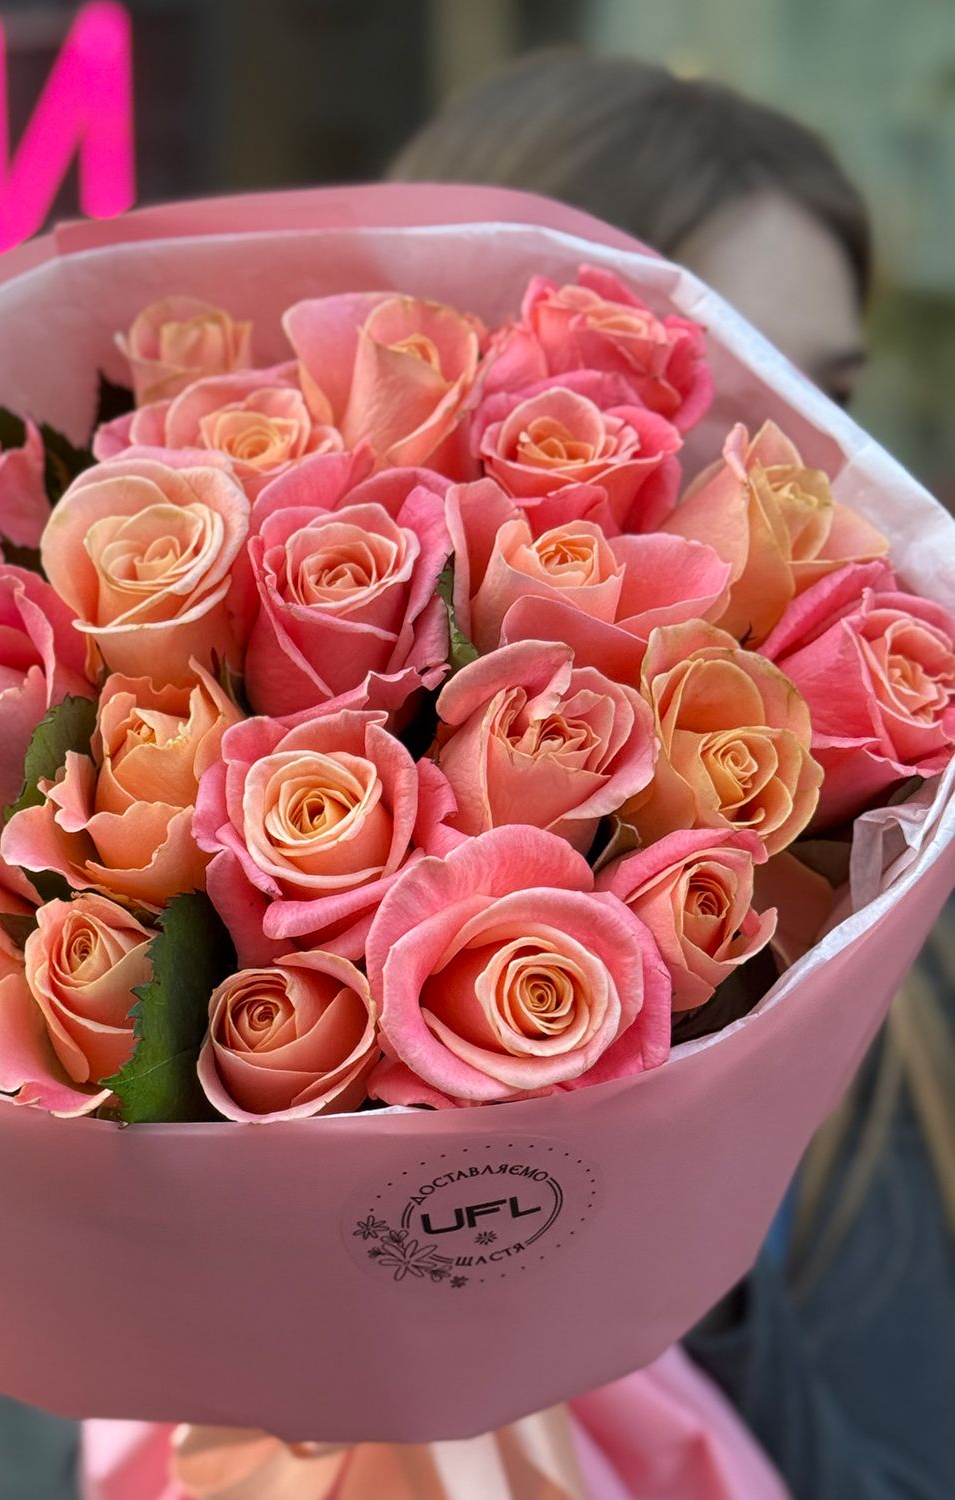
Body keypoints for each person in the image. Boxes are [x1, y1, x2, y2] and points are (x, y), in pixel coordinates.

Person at [390, 50, 955, 1500]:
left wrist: (668, 1277)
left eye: (833, 397)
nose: (803, 479)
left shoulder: (908, 976)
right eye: (721, 401)